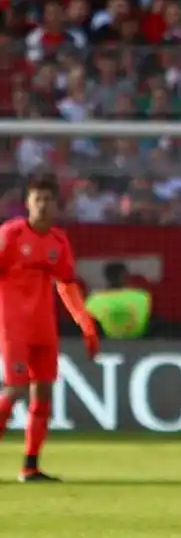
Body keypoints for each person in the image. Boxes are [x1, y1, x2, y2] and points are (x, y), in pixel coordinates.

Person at [0, 173, 100, 482]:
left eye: (48, 199)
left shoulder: (58, 241)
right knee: (15, 389)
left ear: (56, 205)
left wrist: (85, 322)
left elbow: (67, 284)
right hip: (13, 325)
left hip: (43, 327)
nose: (42, 205)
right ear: (27, 204)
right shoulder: (10, 235)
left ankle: (30, 465)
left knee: (42, 392)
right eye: (37, 199)